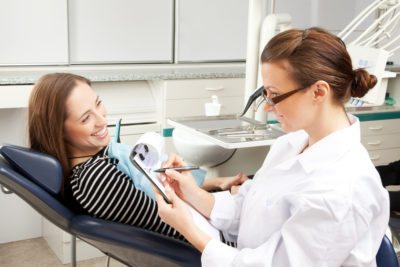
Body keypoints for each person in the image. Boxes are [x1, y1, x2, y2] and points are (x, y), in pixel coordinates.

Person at [155, 27, 390, 266]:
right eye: (264, 94)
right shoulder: (291, 144)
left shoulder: (343, 188)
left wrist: (190, 230)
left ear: (318, 92)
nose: (267, 107)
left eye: (274, 95)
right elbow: (253, 208)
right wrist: (193, 194)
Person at [28, 72, 246, 240]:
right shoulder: (96, 179)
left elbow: (163, 196)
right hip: (218, 242)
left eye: (98, 104)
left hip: (210, 220)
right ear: (59, 131)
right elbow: (174, 226)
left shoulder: (101, 157)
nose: (102, 120)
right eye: (86, 118)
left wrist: (218, 184)